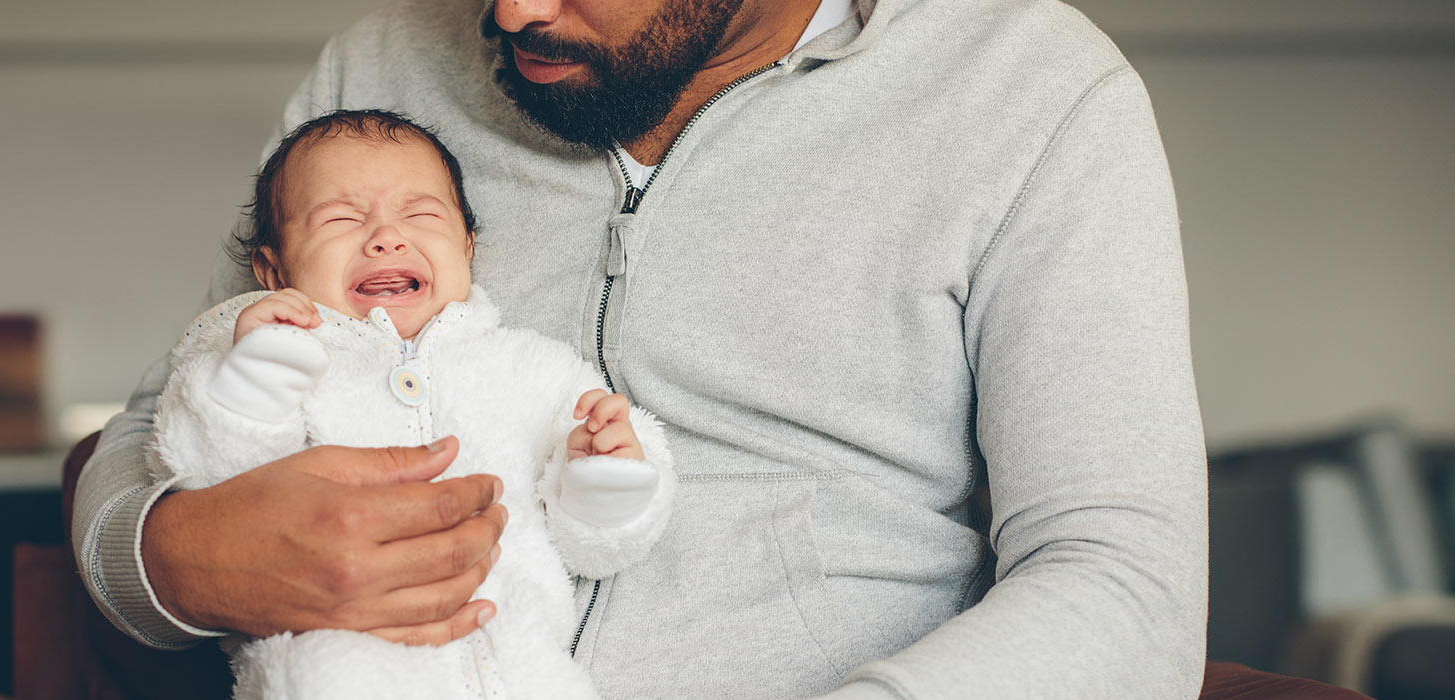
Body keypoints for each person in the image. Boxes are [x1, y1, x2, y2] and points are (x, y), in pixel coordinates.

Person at [75, 0, 1210, 697]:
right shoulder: (377, 73)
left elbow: (1123, 584)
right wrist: (173, 560)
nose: (512, 11)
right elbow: (154, 427)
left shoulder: (1028, 92)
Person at [151, 109, 672, 699]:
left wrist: (605, 478)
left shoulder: (527, 368)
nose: (385, 236)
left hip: (524, 669)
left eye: (421, 214)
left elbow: (595, 547)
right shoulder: (269, 359)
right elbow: (207, 479)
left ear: (467, 248)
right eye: (341, 219)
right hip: (340, 673)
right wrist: (252, 385)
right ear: (274, 269)